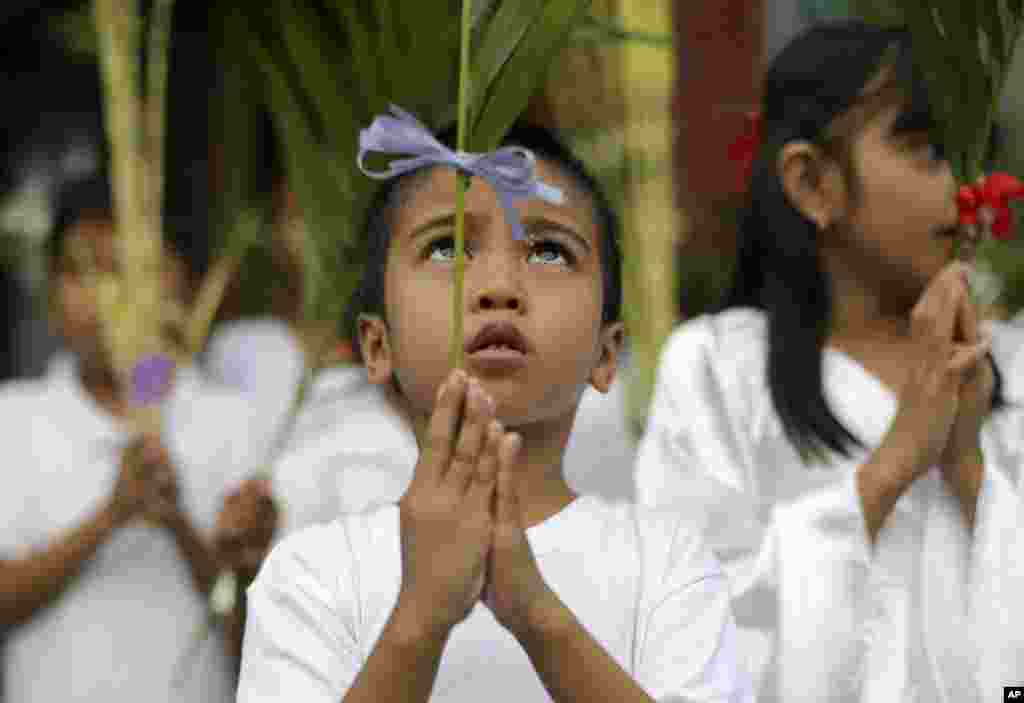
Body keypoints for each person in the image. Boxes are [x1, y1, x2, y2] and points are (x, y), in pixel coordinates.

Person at [235, 122, 751, 702]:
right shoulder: (311, 576)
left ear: (607, 354)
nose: (499, 287)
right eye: (448, 246)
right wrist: (418, 620)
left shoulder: (670, 565)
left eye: (550, 251)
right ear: (378, 347)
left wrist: (537, 615)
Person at [634, 20, 1024, 703]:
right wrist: (894, 464)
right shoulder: (718, 370)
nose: (965, 188)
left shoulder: (1014, 367)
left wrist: (967, 467)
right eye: (931, 150)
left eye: (972, 155)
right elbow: (687, 626)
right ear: (813, 183)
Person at [0, 170, 274, 702]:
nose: (108, 294)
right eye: (84, 270)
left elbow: (262, 630)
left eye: (129, 268)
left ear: (181, 285)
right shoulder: (11, 419)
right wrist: (112, 514)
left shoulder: (233, 423)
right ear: (51, 297)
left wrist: (177, 522)